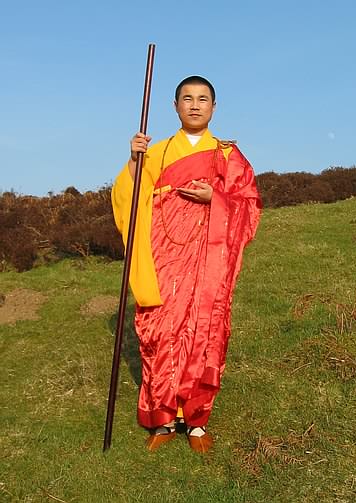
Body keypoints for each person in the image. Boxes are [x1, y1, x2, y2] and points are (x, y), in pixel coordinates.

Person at [112, 76, 262, 453]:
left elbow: (249, 205)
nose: (195, 105)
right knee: (161, 330)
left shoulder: (228, 155)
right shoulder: (157, 152)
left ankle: (196, 420)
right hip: (165, 255)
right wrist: (133, 161)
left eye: (203, 99)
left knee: (204, 331)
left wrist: (217, 197)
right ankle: (162, 419)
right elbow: (128, 199)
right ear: (175, 105)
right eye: (187, 98)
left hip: (208, 260)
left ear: (214, 107)